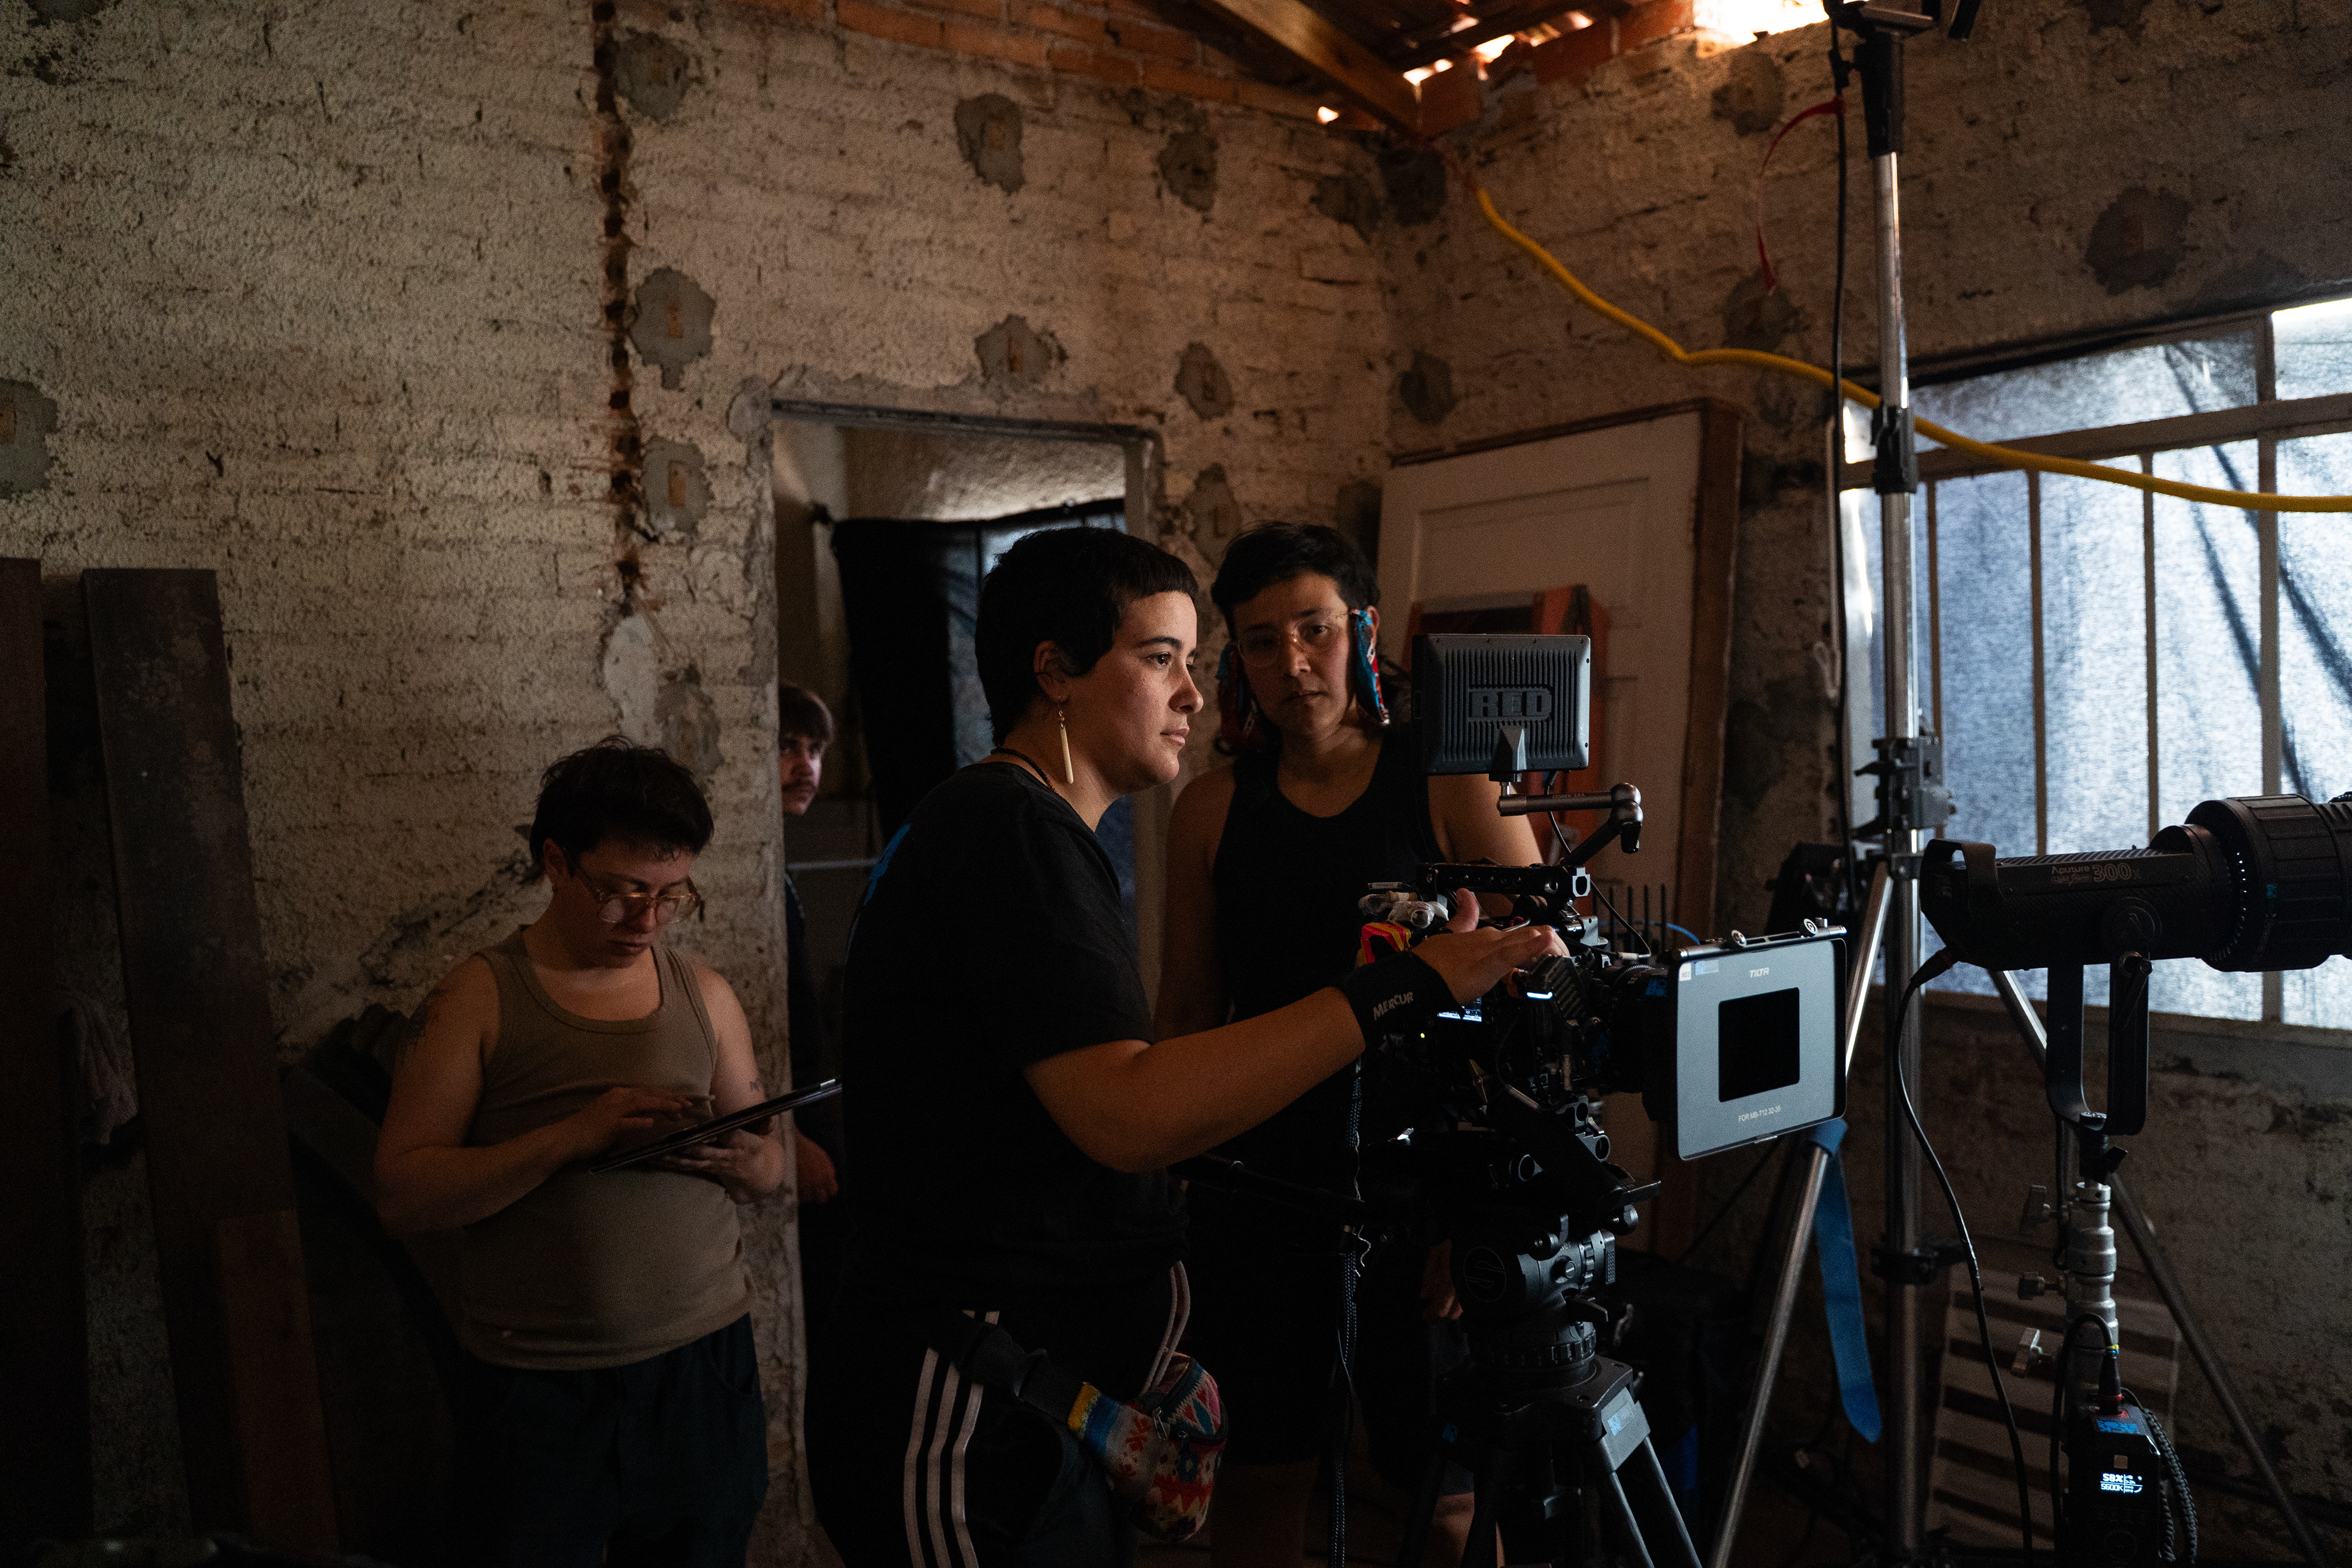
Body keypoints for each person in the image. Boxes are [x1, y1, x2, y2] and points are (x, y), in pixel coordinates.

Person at [804, 526, 1561, 1566]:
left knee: (1442, 1483)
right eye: (1165, 658)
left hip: (1057, 1357)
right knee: (1266, 1480)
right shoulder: (1014, 830)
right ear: (1054, 672)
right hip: (970, 1389)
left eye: (1197, 660)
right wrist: (1404, 984)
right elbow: (1135, 1102)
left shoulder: (1027, 829)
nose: (1197, 694)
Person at [1156, 523, 1547, 1568]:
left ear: (1363, 632)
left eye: (1315, 630)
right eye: (1261, 642)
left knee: (1443, 1488)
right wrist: (1169, 1186)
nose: (1292, 663)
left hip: (1424, 1192)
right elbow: (1186, 1016)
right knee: (1261, 1476)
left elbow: (1538, 994)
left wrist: (1482, 1212)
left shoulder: (1448, 782)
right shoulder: (1209, 811)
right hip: (1261, 1190)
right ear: (1237, 662)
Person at [376, 739, 786, 1567]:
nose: (647, 921)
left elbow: (768, 1165)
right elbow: (404, 1193)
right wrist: (574, 1136)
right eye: (621, 892)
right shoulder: (477, 998)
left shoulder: (705, 995)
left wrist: (750, 1166)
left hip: (702, 1368)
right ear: (557, 862)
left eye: (672, 895)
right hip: (540, 1385)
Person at [777, 682, 845, 1363]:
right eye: (788, 747)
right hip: (782, 1122)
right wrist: (787, 1134)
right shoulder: (749, 875)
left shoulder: (778, 867)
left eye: (816, 750)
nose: (807, 767)